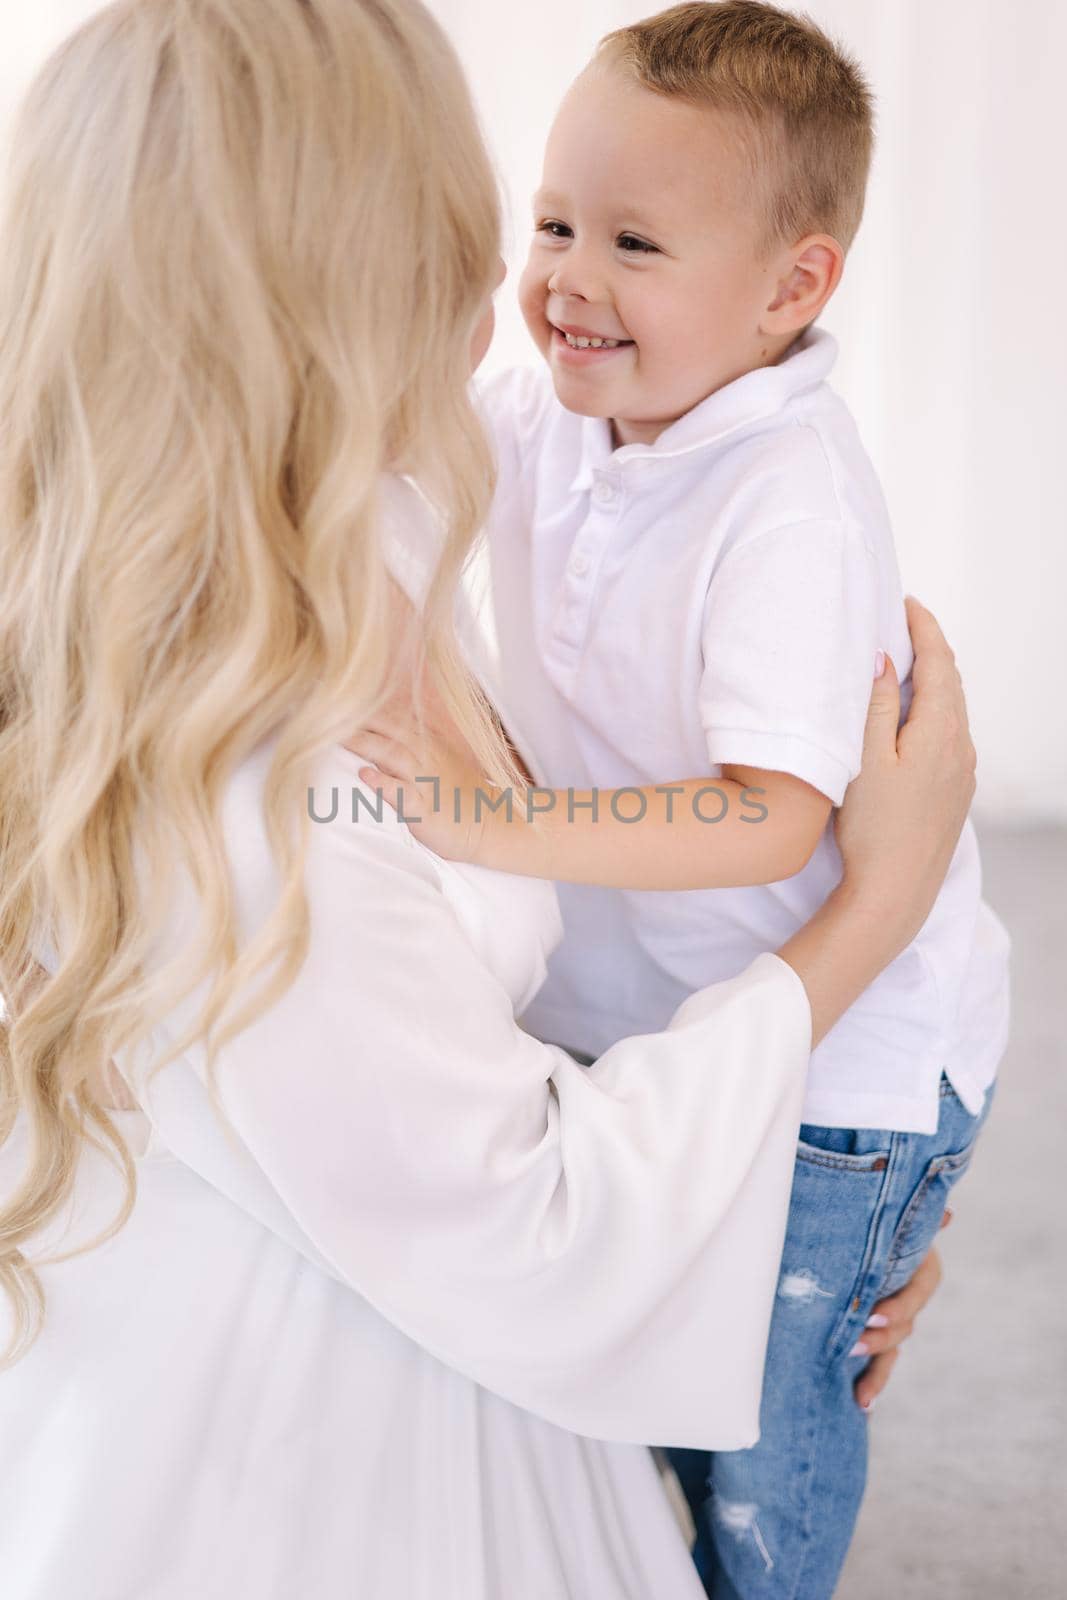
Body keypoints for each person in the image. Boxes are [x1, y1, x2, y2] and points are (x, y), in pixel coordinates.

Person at [0, 3, 973, 1597]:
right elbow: (538, 1234)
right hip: (322, 1423)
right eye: (510, 229)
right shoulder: (269, 787)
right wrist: (877, 915)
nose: (522, 295)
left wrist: (825, 1205)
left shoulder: (340, 530)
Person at [352, 5, 1011, 1595]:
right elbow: (393, 444)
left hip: (841, 1079)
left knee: (759, 1438)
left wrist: (490, 825)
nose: (568, 277)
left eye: (635, 241)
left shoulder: (785, 494)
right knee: (629, 1370)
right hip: (659, 1023)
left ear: (792, 289)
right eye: (555, 223)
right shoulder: (554, 419)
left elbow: (775, 815)